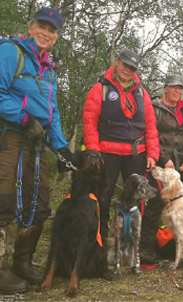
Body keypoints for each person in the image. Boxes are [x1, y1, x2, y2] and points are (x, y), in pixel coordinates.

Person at [0, 7, 72, 294]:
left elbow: (52, 114)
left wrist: (63, 148)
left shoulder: (49, 72)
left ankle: (23, 261)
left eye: (52, 30)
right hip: (12, 136)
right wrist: (24, 118)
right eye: (42, 26)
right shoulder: (10, 52)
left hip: (38, 142)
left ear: (56, 37)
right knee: (4, 198)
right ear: (30, 27)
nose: (46, 33)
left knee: (39, 201)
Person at [82, 50, 159, 260]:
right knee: (102, 200)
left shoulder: (142, 94)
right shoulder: (100, 89)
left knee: (136, 202)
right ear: (117, 63)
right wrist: (93, 151)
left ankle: (133, 251)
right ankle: (98, 249)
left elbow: (151, 126)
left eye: (132, 68)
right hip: (107, 154)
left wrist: (153, 152)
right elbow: (89, 122)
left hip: (136, 154)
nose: (127, 70)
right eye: (125, 65)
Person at [141, 74, 183, 264]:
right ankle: (147, 248)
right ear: (165, 88)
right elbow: (150, 134)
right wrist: (163, 159)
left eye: (180, 88)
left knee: (182, 208)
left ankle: (180, 250)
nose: (177, 91)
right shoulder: (155, 108)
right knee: (156, 202)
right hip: (161, 162)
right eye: (173, 87)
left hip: (182, 162)